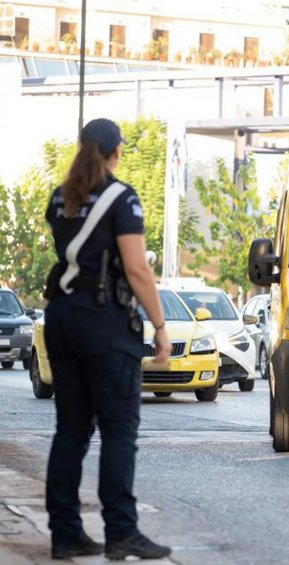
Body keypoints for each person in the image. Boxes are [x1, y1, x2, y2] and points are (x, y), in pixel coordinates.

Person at [43, 118, 172, 560]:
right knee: (119, 430)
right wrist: (159, 324)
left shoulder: (60, 197)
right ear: (116, 151)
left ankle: (65, 534)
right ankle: (121, 532)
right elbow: (137, 269)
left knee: (71, 431)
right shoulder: (122, 197)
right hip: (104, 323)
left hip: (61, 318)